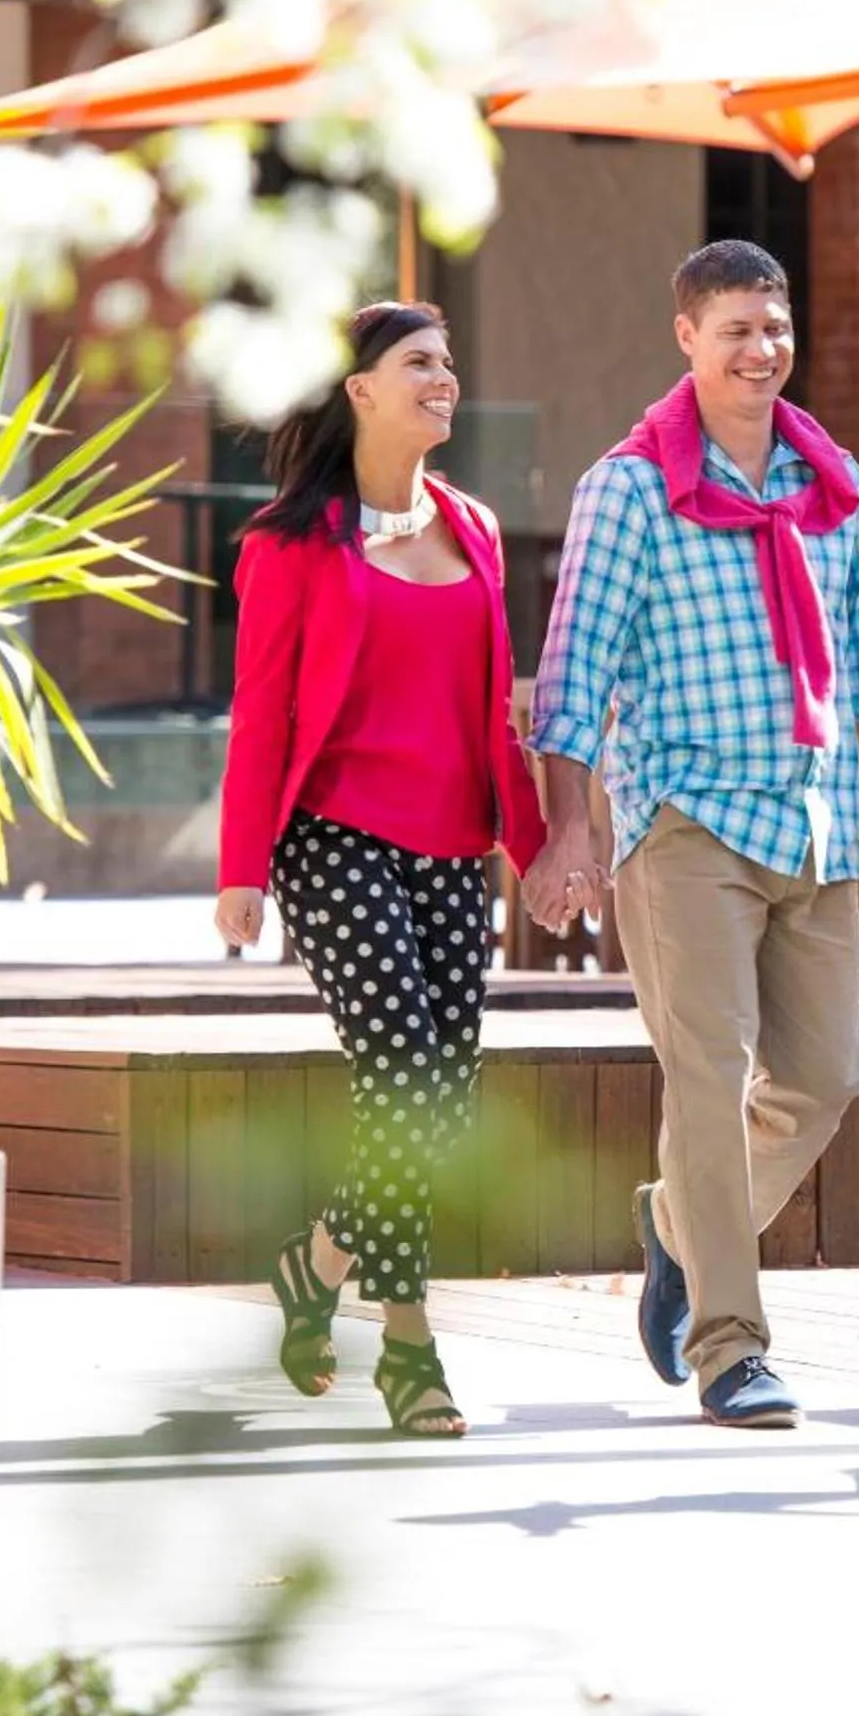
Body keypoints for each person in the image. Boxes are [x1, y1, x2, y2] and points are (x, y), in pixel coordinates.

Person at [527, 239, 859, 1429]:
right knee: (705, 1083)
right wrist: (568, 831)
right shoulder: (630, 486)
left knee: (824, 1078)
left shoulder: (832, 482)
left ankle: (675, 1225)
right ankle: (729, 1346)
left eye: (774, 327)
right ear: (686, 340)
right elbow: (572, 676)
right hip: (683, 821)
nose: (762, 351)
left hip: (810, 821)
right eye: (737, 332)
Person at [215, 300, 549, 1439]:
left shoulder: (477, 528)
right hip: (333, 835)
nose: (443, 379)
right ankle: (409, 1349)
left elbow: (496, 712)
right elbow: (259, 712)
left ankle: (316, 1260)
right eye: (419, 364)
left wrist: (535, 847)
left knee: (435, 1099)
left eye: (449, 362)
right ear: (358, 390)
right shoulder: (287, 544)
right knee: (405, 1069)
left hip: (454, 844)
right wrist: (240, 869)